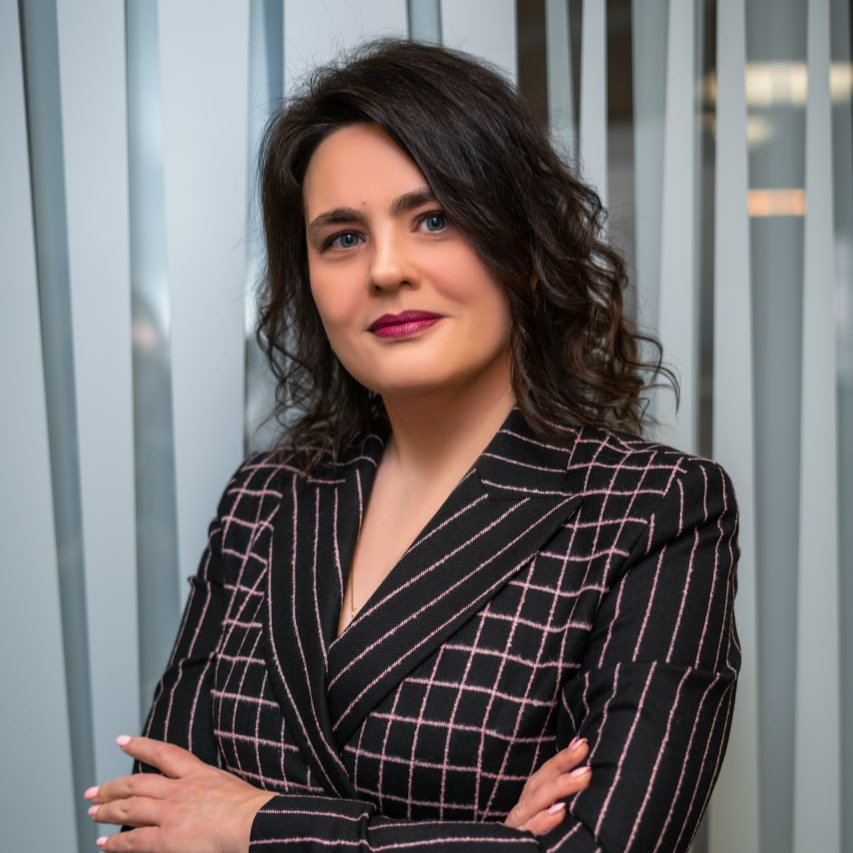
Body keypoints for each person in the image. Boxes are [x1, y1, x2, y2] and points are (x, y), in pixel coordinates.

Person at [84, 38, 739, 853]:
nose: (386, 270)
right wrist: (482, 838)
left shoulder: (652, 508)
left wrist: (250, 823)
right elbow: (153, 821)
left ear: (521, 244)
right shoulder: (266, 497)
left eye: (433, 218)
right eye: (342, 237)